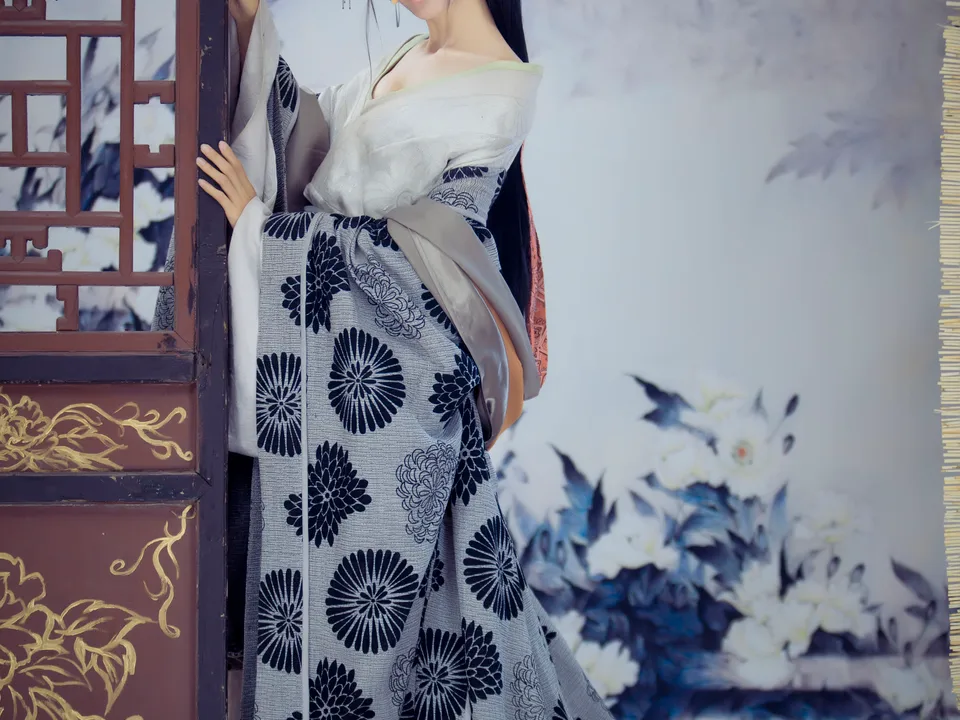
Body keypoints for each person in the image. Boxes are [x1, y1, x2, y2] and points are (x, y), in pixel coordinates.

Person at [192, 0, 607, 718]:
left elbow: (424, 268)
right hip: (310, 356)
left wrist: (263, 233)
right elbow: (313, 142)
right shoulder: (407, 56)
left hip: (383, 390)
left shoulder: (499, 91)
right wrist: (251, 29)